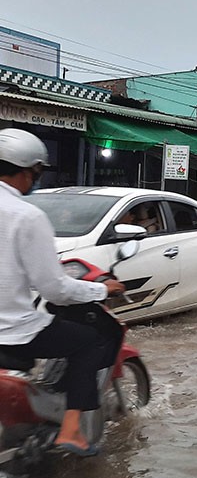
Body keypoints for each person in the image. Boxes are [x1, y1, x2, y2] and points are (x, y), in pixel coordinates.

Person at [0, 128, 126, 457]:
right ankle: (71, 431)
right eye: (36, 173)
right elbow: (54, 288)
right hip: (11, 331)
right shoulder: (27, 215)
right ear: (28, 171)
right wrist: (101, 289)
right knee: (89, 340)